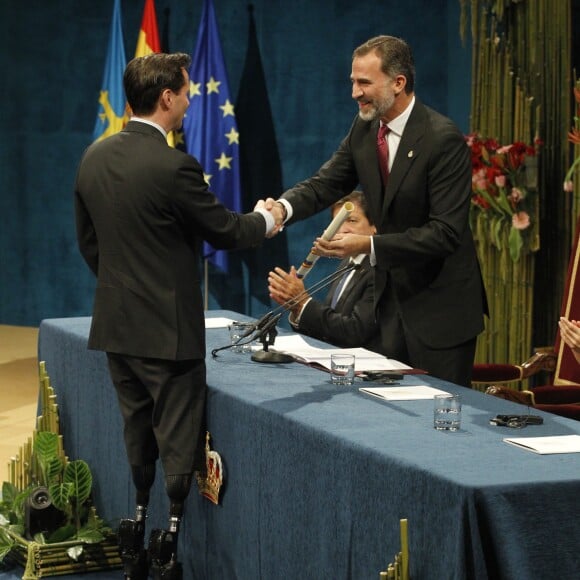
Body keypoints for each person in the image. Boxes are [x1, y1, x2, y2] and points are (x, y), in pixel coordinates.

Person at [74, 52, 283, 580]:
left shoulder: (92, 159)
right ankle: (170, 540)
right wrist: (267, 217)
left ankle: (137, 525)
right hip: (169, 337)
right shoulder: (174, 167)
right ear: (166, 97)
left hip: (118, 327)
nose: (191, 101)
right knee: (177, 435)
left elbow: (90, 245)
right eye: (187, 92)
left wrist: (127, 289)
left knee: (136, 428)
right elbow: (228, 232)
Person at [266, 35, 487, 387]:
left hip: (439, 313)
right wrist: (281, 208)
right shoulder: (365, 129)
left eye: (364, 82)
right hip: (388, 310)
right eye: (353, 81)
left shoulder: (442, 139)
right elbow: (326, 183)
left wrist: (366, 246)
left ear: (398, 82)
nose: (355, 91)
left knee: (436, 427)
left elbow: (444, 233)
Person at [267, 191, 383, 353]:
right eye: (337, 223)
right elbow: (330, 328)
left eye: (352, 220)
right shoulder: (347, 264)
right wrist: (298, 310)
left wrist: (303, 304)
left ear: (375, 226)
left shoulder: (380, 268)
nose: (343, 229)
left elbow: (356, 331)